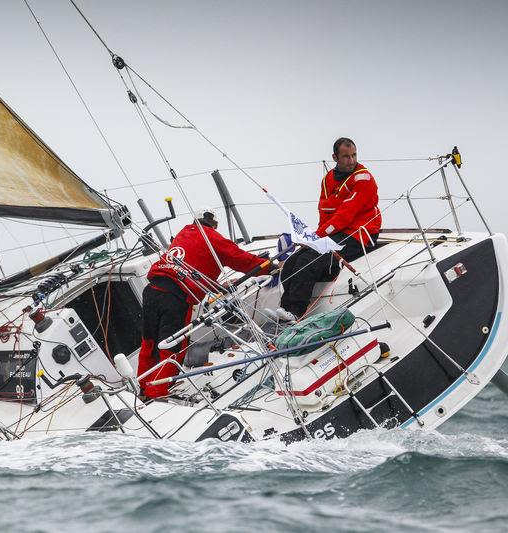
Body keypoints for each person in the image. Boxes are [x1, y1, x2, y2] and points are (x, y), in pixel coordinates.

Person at [137, 208, 269, 399]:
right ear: (214, 225)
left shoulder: (183, 233)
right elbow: (241, 260)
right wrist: (269, 267)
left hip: (152, 291)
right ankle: (156, 392)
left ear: (195, 221)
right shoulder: (212, 237)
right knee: (172, 346)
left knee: (149, 342)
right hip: (174, 297)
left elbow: (192, 266)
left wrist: (216, 286)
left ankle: (143, 387)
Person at [273, 137, 382, 322]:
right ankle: (285, 310)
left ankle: (296, 312)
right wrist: (313, 239)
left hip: (360, 233)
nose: (352, 160)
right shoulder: (328, 180)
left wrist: (317, 237)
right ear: (335, 157)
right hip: (337, 232)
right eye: (346, 156)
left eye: (354, 155)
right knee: (292, 262)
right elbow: (325, 213)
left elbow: (345, 214)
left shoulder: (364, 178)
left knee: (308, 260)